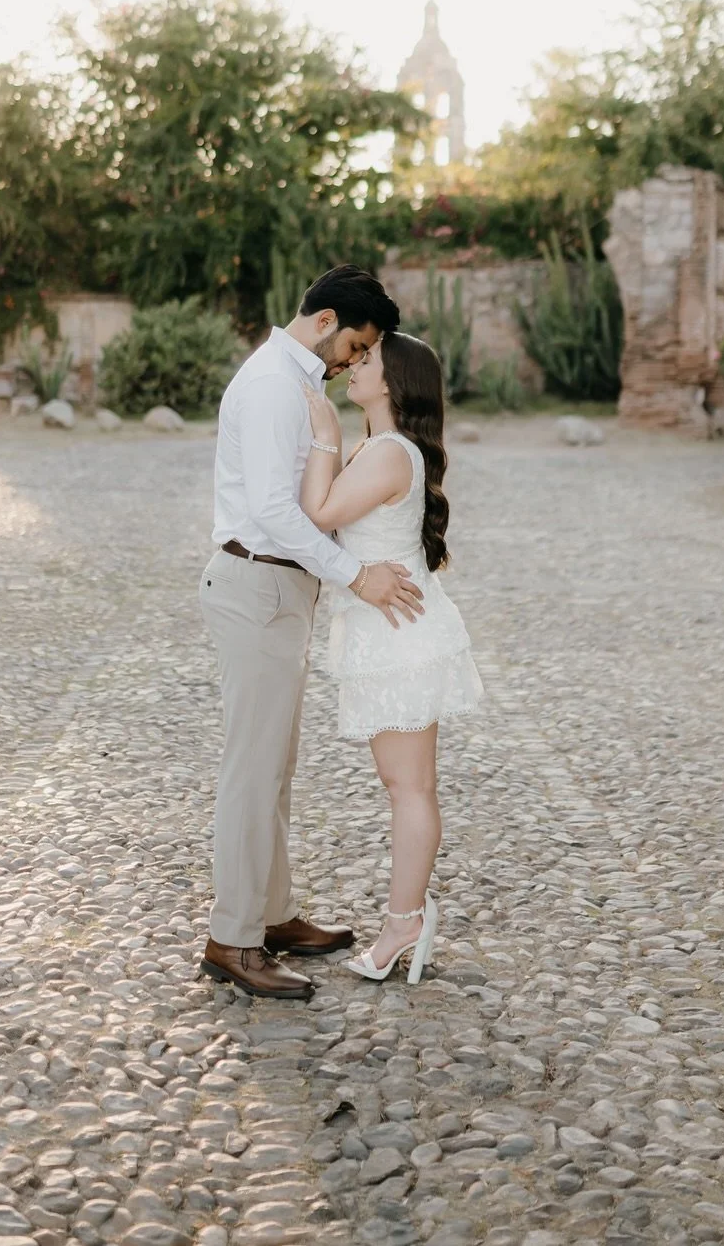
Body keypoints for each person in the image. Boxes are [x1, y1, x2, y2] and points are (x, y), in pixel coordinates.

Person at [199, 265, 425, 1002]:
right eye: (356, 345)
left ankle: (271, 913)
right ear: (325, 320)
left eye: (366, 355)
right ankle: (233, 938)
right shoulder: (272, 385)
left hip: (280, 588)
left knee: (275, 765)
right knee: (251, 769)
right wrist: (355, 575)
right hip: (257, 578)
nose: (356, 361)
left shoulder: (298, 383)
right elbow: (272, 510)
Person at [300, 329, 484, 982]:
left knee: (411, 787)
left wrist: (321, 425)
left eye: (368, 359)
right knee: (404, 784)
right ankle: (407, 913)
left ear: (393, 380)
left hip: (400, 635)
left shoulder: (385, 453)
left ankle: (405, 920)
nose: (353, 364)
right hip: (388, 631)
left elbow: (316, 513)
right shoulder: (380, 449)